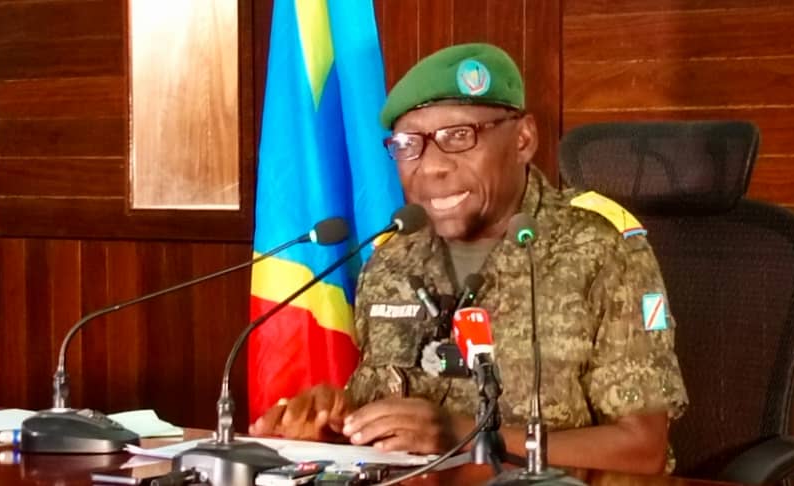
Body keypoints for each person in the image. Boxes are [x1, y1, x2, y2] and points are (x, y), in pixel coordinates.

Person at [250, 43, 688, 475]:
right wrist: (331, 426)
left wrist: (474, 438)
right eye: (408, 144)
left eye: (458, 137)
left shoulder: (601, 250)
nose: (431, 167)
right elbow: (386, 434)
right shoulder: (392, 261)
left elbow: (642, 449)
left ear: (523, 140)